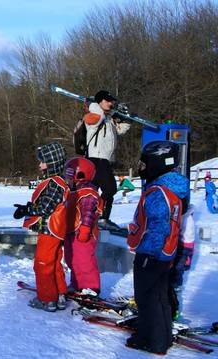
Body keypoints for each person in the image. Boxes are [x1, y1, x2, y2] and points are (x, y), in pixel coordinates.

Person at [125, 140, 188, 355]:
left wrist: (148, 254)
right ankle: (160, 336)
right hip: (165, 255)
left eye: (145, 164)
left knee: (147, 298)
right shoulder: (172, 188)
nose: (142, 169)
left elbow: (158, 226)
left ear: (157, 164)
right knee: (160, 297)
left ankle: (153, 340)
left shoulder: (158, 192)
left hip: (152, 255)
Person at [13, 142, 69, 312]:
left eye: (42, 161)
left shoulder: (55, 183)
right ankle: (59, 295)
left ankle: (47, 299)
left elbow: (46, 208)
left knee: (42, 264)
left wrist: (27, 209)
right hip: (54, 231)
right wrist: (28, 208)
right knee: (54, 263)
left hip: (50, 230)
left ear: (51, 163)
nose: (40, 164)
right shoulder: (57, 181)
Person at [84, 90, 131, 230]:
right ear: (99, 102)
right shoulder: (93, 116)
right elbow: (96, 118)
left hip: (105, 161)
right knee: (110, 188)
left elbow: (120, 130)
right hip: (96, 159)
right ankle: (101, 218)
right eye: (107, 101)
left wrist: (125, 117)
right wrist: (94, 105)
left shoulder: (108, 119)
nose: (111, 103)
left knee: (95, 190)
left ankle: (94, 217)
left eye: (112, 101)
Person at [63, 157, 103, 298]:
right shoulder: (73, 191)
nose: (67, 179)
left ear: (79, 174)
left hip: (82, 233)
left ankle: (90, 286)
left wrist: (85, 230)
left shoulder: (88, 192)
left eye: (69, 176)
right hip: (71, 233)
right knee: (71, 260)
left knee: (84, 260)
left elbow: (88, 212)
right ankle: (76, 284)